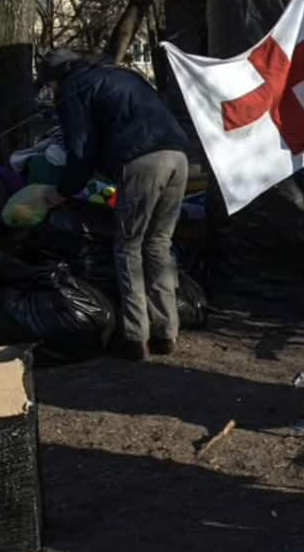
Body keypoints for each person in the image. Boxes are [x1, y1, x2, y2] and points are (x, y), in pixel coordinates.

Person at [37, 48, 190, 362]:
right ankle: (167, 331)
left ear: (56, 78)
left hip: (142, 162)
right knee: (159, 244)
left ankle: (136, 338)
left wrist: (63, 190)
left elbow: (81, 148)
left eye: (49, 86)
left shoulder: (73, 88)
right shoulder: (120, 75)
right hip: (179, 157)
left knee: (128, 246)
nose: (50, 92)